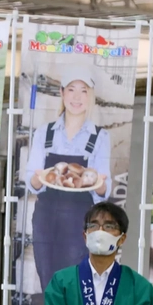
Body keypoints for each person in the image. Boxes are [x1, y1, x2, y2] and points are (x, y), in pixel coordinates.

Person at [25, 64, 112, 293]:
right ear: (62, 93)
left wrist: (101, 184)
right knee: (47, 275)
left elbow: (104, 190)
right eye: (71, 89)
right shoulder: (45, 132)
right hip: (45, 216)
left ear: (90, 96)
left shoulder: (99, 136)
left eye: (83, 90)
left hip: (79, 217)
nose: (76, 97)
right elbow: (31, 181)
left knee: (73, 279)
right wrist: (37, 178)